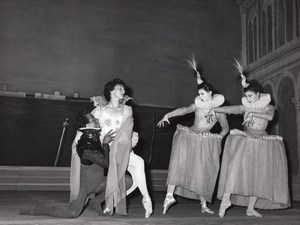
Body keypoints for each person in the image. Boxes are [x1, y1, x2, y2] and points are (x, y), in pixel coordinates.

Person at [209, 60, 290, 218]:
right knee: (235, 170)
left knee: (258, 175)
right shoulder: (246, 106)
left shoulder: (268, 106)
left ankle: (250, 208)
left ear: (259, 94)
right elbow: (233, 109)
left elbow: (270, 116)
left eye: (250, 95)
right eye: (246, 96)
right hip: (247, 140)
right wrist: (214, 108)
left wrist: (253, 113)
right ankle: (226, 199)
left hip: (262, 141)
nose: (248, 99)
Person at [19, 111, 129, 218]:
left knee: (127, 181)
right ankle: (40, 209)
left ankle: (96, 202)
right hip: (85, 186)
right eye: (93, 119)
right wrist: (105, 143)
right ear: (88, 125)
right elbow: (105, 163)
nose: (96, 119)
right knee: (72, 213)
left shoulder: (94, 139)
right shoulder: (85, 145)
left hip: (99, 182)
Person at [157, 56, 229, 215]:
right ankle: (169, 195)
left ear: (210, 93)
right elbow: (183, 110)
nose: (201, 97)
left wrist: (220, 136)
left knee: (204, 171)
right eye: (199, 94)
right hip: (190, 136)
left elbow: (225, 128)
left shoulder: (219, 110)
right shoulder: (197, 105)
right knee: (178, 162)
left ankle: (203, 204)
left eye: (203, 94)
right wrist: (167, 115)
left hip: (206, 141)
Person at [91, 78, 153, 218]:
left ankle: (113, 202)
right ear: (111, 91)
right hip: (105, 149)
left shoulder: (127, 109)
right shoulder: (99, 110)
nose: (123, 91)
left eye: (124, 89)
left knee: (137, 174)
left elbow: (126, 131)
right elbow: (88, 128)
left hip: (122, 147)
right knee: (139, 164)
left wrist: (129, 144)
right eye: (120, 88)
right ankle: (145, 198)